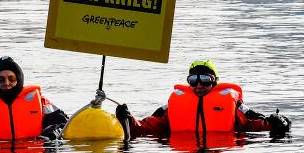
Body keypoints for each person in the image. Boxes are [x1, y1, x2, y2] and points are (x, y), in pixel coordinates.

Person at [115, 59, 291, 140]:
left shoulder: (233, 104)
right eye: (193, 80)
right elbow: (146, 126)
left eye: (205, 80)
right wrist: (127, 118)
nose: (199, 85)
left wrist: (277, 122)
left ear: (215, 82)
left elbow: (253, 122)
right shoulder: (172, 106)